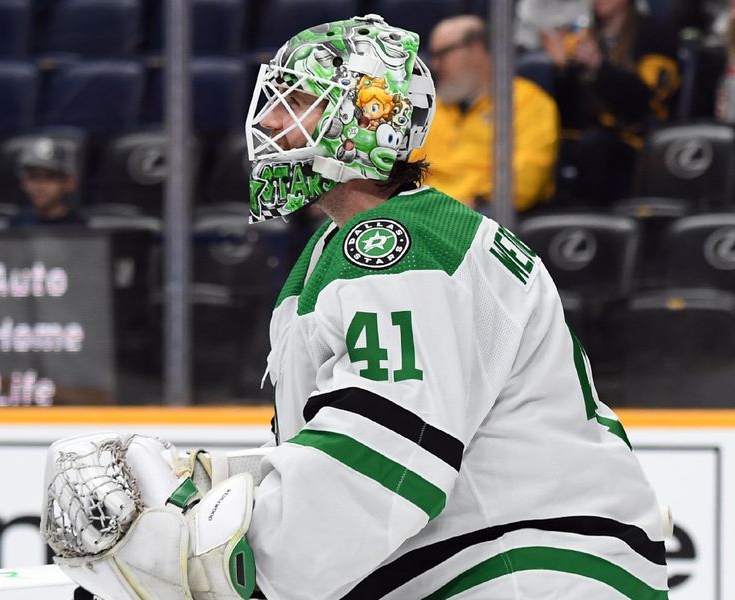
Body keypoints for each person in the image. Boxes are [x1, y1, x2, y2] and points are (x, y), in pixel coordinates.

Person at [39, 15, 669, 600]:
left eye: (300, 104)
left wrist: (217, 565)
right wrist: (216, 482)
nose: (272, 124)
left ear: (367, 118)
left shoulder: (402, 248)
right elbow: (357, 440)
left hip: (528, 571)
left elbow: (382, 460)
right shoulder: (359, 247)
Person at [409, 15, 559, 213]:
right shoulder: (433, 106)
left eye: (442, 54)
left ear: (476, 51)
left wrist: (475, 204)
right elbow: (407, 165)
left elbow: (526, 178)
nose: (435, 65)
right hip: (422, 213)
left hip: (481, 218)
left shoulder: (528, 102)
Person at [541, 0, 681, 203]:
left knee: (595, 146)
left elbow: (647, 102)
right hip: (584, 140)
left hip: (634, 141)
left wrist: (599, 66)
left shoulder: (655, 32)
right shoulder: (582, 35)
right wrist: (561, 70)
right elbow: (564, 113)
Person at [11, 137, 85, 226]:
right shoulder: (17, 224)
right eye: (33, 177)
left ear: (70, 183)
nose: (40, 186)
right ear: (23, 182)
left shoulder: (79, 228)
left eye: (50, 177)